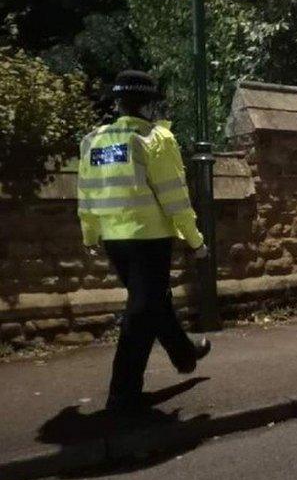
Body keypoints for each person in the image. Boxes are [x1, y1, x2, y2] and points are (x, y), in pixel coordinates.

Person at [77, 70, 212, 413]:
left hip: (115, 240)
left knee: (150, 299)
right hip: (149, 238)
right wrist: (195, 241)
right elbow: (175, 197)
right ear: (150, 105)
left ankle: (184, 353)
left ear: (118, 102)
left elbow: (86, 192)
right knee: (142, 308)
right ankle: (123, 394)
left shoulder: (94, 140)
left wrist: (90, 232)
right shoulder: (155, 139)